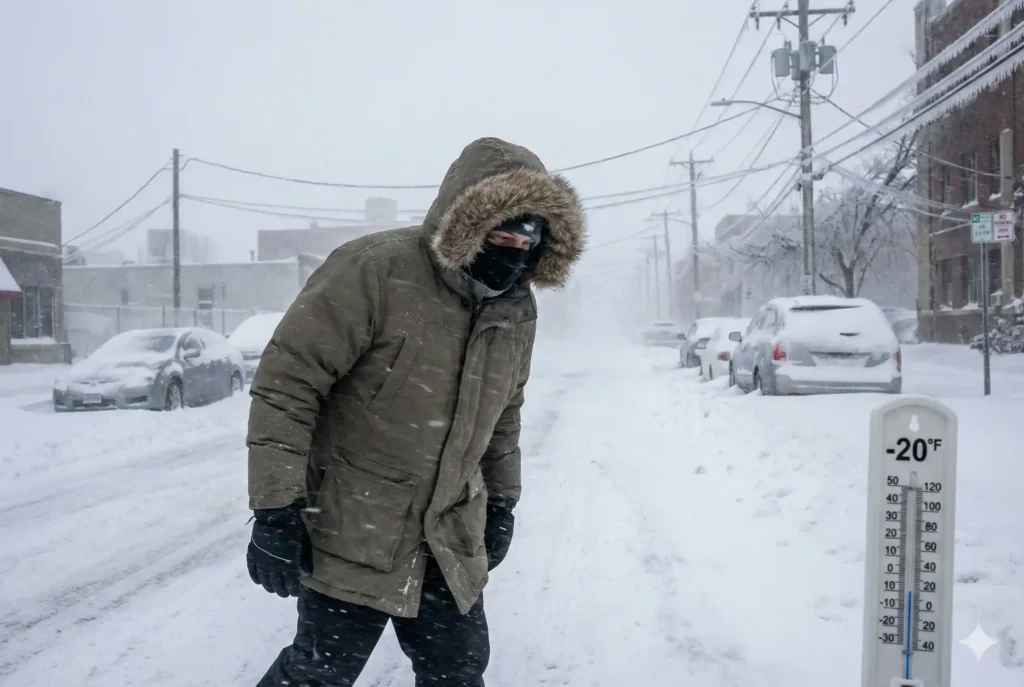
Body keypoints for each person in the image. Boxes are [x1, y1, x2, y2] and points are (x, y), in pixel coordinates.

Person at [245, 137, 586, 686]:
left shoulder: (515, 306)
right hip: (355, 527)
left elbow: (505, 413)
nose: (515, 249)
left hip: (448, 535)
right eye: (502, 232)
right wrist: (275, 509)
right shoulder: (375, 270)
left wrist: (502, 501)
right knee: (318, 674)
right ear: (469, 220)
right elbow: (288, 386)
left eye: (530, 237)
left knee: (459, 671)